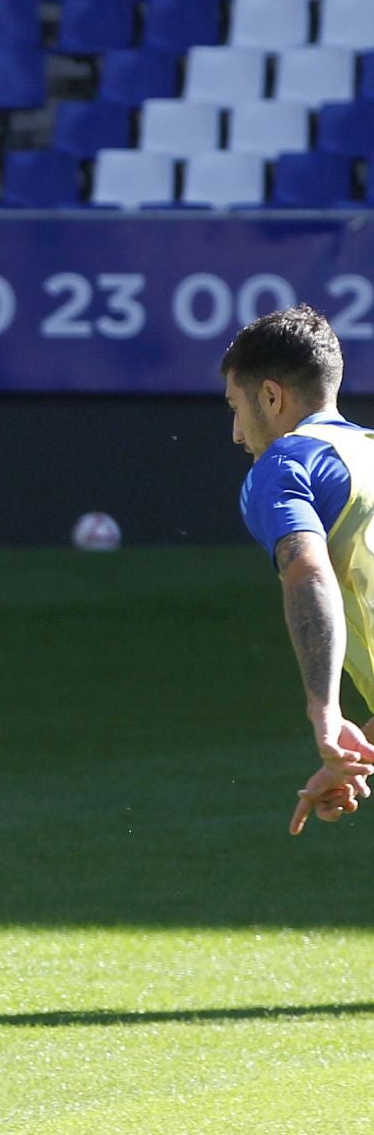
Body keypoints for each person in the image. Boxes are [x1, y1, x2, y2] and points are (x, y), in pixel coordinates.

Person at [223, 303, 374, 836]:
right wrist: (362, 754)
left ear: (271, 396)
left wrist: (324, 711)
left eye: (236, 408)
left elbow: (307, 574)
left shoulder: (284, 465)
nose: (238, 434)